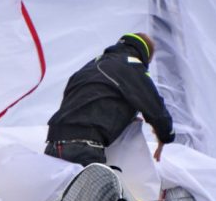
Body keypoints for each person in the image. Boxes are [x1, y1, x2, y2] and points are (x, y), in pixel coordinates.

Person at [45, 32, 175, 167]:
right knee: (95, 182)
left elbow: (86, 99)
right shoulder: (132, 65)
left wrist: (127, 116)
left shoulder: (92, 65)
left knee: (65, 182)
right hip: (83, 148)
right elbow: (155, 108)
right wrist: (165, 136)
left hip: (53, 144)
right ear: (145, 55)